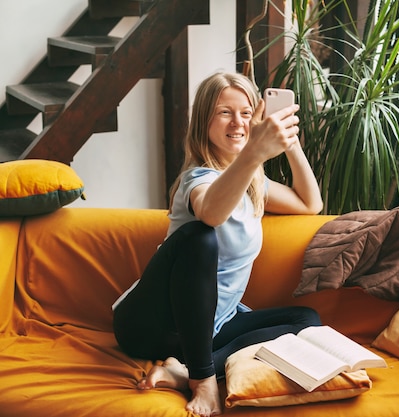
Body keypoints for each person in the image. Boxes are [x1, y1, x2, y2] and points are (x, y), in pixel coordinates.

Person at [112, 72, 324, 417]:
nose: (238, 122)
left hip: (206, 330)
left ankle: (182, 370)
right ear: (204, 122)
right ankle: (203, 379)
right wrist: (254, 153)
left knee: (306, 319)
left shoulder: (254, 182)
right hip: (148, 323)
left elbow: (309, 204)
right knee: (200, 238)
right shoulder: (197, 178)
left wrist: (289, 141)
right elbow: (210, 213)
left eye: (245, 112)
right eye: (225, 112)